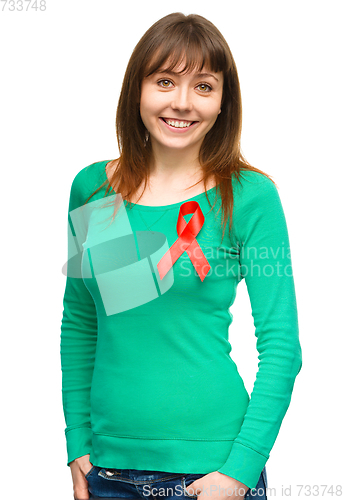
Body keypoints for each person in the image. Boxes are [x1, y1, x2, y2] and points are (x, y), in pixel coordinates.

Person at [60, 12, 302, 500]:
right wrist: (77, 442)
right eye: (165, 81)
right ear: (138, 91)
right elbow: (83, 320)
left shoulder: (248, 196)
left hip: (213, 470)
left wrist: (240, 470)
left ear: (222, 103)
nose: (182, 103)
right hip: (108, 470)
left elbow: (282, 347)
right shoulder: (96, 189)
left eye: (204, 86)